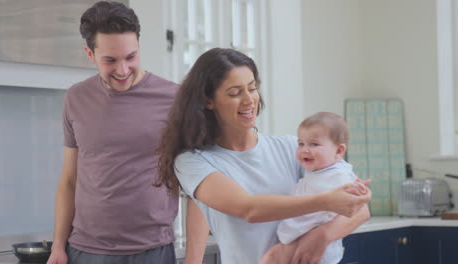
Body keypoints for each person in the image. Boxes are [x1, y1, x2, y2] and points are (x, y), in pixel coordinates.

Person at [156, 47, 371, 264]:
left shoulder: (292, 148)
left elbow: (360, 210)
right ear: (208, 100)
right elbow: (249, 208)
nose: (249, 100)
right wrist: (326, 202)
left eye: (252, 88)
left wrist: (322, 235)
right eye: (235, 92)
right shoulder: (194, 162)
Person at [47, 1, 179, 264]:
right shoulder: (76, 97)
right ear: (90, 53)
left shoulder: (173, 98)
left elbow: (192, 185)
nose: (122, 70)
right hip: (87, 251)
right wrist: (58, 246)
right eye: (110, 60)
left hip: (154, 250)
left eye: (131, 57)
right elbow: (70, 179)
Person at [261, 112, 358, 264]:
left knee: (271, 259)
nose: (305, 149)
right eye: (301, 144)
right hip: (298, 238)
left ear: (339, 151)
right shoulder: (316, 171)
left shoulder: (339, 176)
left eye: (314, 144)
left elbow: (355, 205)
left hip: (313, 246)